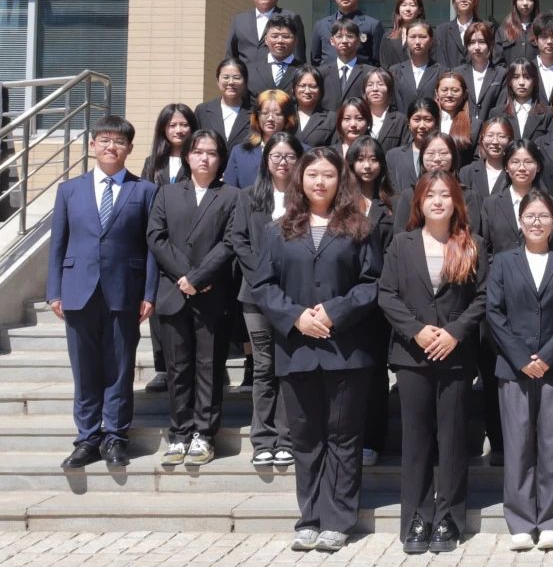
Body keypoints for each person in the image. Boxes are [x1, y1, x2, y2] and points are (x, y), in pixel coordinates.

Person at [251, 147, 382, 553]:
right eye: (312, 175)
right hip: (297, 349)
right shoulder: (278, 230)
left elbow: (372, 283)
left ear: (340, 180)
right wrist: (295, 317)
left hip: (347, 350)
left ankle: (338, 520)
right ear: (300, 180)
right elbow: (262, 286)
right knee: (306, 438)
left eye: (328, 174)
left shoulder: (360, 227)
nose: (320, 182)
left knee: (343, 437)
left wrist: (333, 312)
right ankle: (309, 518)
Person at [378, 171, 487, 554]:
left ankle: (448, 518)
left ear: (456, 202)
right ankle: (417, 517)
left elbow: (483, 297)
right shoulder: (402, 243)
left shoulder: (472, 243)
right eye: (430, 195)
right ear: (419, 203)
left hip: (455, 355)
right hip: (412, 356)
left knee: (453, 439)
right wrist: (416, 331)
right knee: (416, 439)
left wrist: (455, 332)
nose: (438, 201)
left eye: (445, 194)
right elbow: (387, 294)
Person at [47, 115, 158, 469]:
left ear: (130, 148)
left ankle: (115, 437)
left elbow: (152, 247)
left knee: (120, 368)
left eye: (119, 141)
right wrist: (54, 291)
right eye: (105, 140)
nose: (112, 147)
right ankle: (87, 437)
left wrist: (149, 293)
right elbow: (58, 244)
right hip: (78, 289)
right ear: (93, 145)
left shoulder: (144, 191)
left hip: (125, 290)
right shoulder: (69, 190)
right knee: (84, 369)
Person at [487, 189, 553, 552]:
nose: (536, 222)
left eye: (544, 216)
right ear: (520, 221)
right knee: (518, 445)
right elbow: (494, 312)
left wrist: (548, 355)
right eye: (530, 216)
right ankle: (520, 521)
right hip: (514, 369)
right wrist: (521, 357)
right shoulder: (503, 262)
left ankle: (552, 522)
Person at [146, 129, 238, 467]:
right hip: (174, 293)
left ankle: (204, 433)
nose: (204, 158)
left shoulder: (231, 195)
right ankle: (180, 432)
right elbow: (156, 237)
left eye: (212, 153)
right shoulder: (167, 193)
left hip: (211, 294)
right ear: (187, 155)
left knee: (209, 366)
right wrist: (186, 277)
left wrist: (199, 279)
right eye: (198, 151)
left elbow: (231, 241)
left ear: (220, 158)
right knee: (177, 367)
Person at [228, 132, 303, 468]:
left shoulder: (305, 198)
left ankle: (286, 438)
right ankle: (263, 438)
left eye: (289, 156)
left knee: (287, 364)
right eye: (276, 156)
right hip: (256, 295)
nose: (283, 162)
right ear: (266, 160)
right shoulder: (248, 197)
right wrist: (262, 276)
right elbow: (238, 240)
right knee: (263, 366)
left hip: (293, 296)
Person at [346, 136, 397, 467]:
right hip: (345, 300)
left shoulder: (391, 204)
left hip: (379, 302)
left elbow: (396, 251)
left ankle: (372, 440)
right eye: (361, 159)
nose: (367, 165)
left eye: (373, 159)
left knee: (376, 373)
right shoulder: (339, 204)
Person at [140, 103, 197, 393]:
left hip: (191, 241)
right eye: (172, 125)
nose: (179, 130)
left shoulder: (197, 159)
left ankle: (195, 364)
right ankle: (162, 367)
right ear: (163, 129)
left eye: (184, 124)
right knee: (160, 305)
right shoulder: (153, 163)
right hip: (158, 241)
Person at [226, 0, 306, 66]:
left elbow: (299, 55)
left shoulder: (290, 17)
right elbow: (231, 55)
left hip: (277, 73)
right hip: (245, 74)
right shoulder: (239, 20)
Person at [224, 89, 296, 189]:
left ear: (287, 118)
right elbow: (229, 191)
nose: (270, 119)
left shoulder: (301, 151)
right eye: (265, 113)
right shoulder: (240, 152)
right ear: (257, 116)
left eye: (277, 114)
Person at [310, 0, 383, 66]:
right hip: (328, 74)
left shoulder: (373, 25)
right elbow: (315, 59)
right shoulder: (321, 25)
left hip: (361, 74)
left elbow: (377, 60)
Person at [387, 98, 442, 194]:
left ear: (436, 123)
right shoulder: (393, 156)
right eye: (417, 119)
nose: (422, 125)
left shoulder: (446, 154)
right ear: (408, 123)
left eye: (428, 120)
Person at [195, 58, 252, 149]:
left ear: (245, 82)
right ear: (218, 81)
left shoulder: (254, 113)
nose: (231, 82)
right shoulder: (202, 111)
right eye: (226, 77)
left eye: (236, 78)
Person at [319, 19, 373, 113]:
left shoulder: (369, 73)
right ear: (332, 41)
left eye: (350, 36)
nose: (344, 41)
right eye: (339, 36)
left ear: (358, 41)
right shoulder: (321, 73)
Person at [388, 20, 443, 112]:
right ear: (406, 39)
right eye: (412, 37)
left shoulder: (442, 72)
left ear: (431, 40)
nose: (417, 42)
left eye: (422, 37)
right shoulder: (395, 71)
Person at [246, 15, 304, 100]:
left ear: (296, 41)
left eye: (285, 36)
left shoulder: (304, 71)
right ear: (266, 40)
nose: (280, 41)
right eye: (274, 36)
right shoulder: (250, 70)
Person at [435, 0, 487, 69]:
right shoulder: (442, 30)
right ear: (454, 0)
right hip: (450, 77)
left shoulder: (487, 27)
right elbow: (440, 62)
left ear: (475, 0)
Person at [459, 22, 507, 120]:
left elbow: (501, 107)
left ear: (490, 45)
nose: (477, 47)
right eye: (472, 42)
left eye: (482, 42)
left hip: (492, 127)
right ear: (467, 46)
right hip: (464, 126)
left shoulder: (501, 74)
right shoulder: (459, 73)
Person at [459, 117, 513, 203]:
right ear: (482, 140)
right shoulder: (467, 172)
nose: (495, 142)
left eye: (501, 136)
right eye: (490, 135)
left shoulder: (514, 173)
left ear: (510, 140)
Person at [498, 59, 550, 141]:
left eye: (527, 77)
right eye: (516, 77)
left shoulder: (548, 113)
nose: (521, 82)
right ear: (509, 81)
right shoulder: (497, 113)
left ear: (535, 81)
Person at [433, 70, 480, 161]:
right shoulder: (427, 120)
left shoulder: (474, 125)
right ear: (436, 93)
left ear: (464, 94)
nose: (449, 95)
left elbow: (476, 159)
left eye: (455, 90)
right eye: (444, 90)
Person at [364, 68, 408, 153]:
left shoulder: (401, 120)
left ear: (389, 89)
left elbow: (404, 151)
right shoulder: (360, 117)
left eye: (380, 84)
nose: (375, 89)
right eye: (370, 85)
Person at [293, 66, 336, 149]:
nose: (307, 91)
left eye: (313, 86)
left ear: (320, 90)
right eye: (302, 86)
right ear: (294, 88)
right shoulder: (286, 114)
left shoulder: (331, 118)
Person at [498, 0, 540, 65]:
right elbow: (498, 63)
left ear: (535, 3)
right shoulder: (503, 30)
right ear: (515, 2)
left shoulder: (541, 29)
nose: (525, 3)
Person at [381, 0, 425, 69]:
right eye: (404, 5)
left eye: (412, 5)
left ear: (419, 10)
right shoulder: (388, 36)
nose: (408, 9)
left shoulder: (427, 35)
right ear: (398, 9)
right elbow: (384, 65)